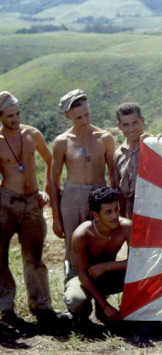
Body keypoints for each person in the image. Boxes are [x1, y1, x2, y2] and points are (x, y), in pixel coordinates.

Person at [0, 91, 57, 325]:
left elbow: (51, 161)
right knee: (0, 253)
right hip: (7, 202)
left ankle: (41, 306)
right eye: (10, 115)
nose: (15, 118)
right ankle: (5, 305)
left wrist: (45, 191)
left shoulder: (32, 134)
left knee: (34, 255)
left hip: (33, 202)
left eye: (18, 113)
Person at [50, 89, 115, 284]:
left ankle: (101, 299)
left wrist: (111, 205)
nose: (84, 121)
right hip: (72, 197)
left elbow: (113, 174)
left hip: (99, 194)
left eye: (87, 115)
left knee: (100, 243)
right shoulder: (62, 142)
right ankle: (75, 301)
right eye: (78, 117)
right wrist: (55, 217)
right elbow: (53, 180)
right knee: (73, 247)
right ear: (67, 116)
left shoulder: (104, 138)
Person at [63, 187, 131, 328]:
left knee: (143, 278)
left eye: (116, 209)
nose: (115, 216)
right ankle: (80, 314)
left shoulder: (125, 227)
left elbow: (138, 263)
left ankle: (135, 315)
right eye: (108, 212)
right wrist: (105, 305)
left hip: (108, 273)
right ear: (96, 215)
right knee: (77, 301)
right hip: (82, 276)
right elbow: (82, 273)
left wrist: (107, 266)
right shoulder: (82, 234)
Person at [114, 102, 146, 219]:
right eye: (126, 125)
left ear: (142, 120)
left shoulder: (154, 147)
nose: (131, 129)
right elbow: (118, 191)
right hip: (130, 213)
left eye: (135, 123)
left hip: (152, 210)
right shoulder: (118, 154)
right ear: (119, 126)